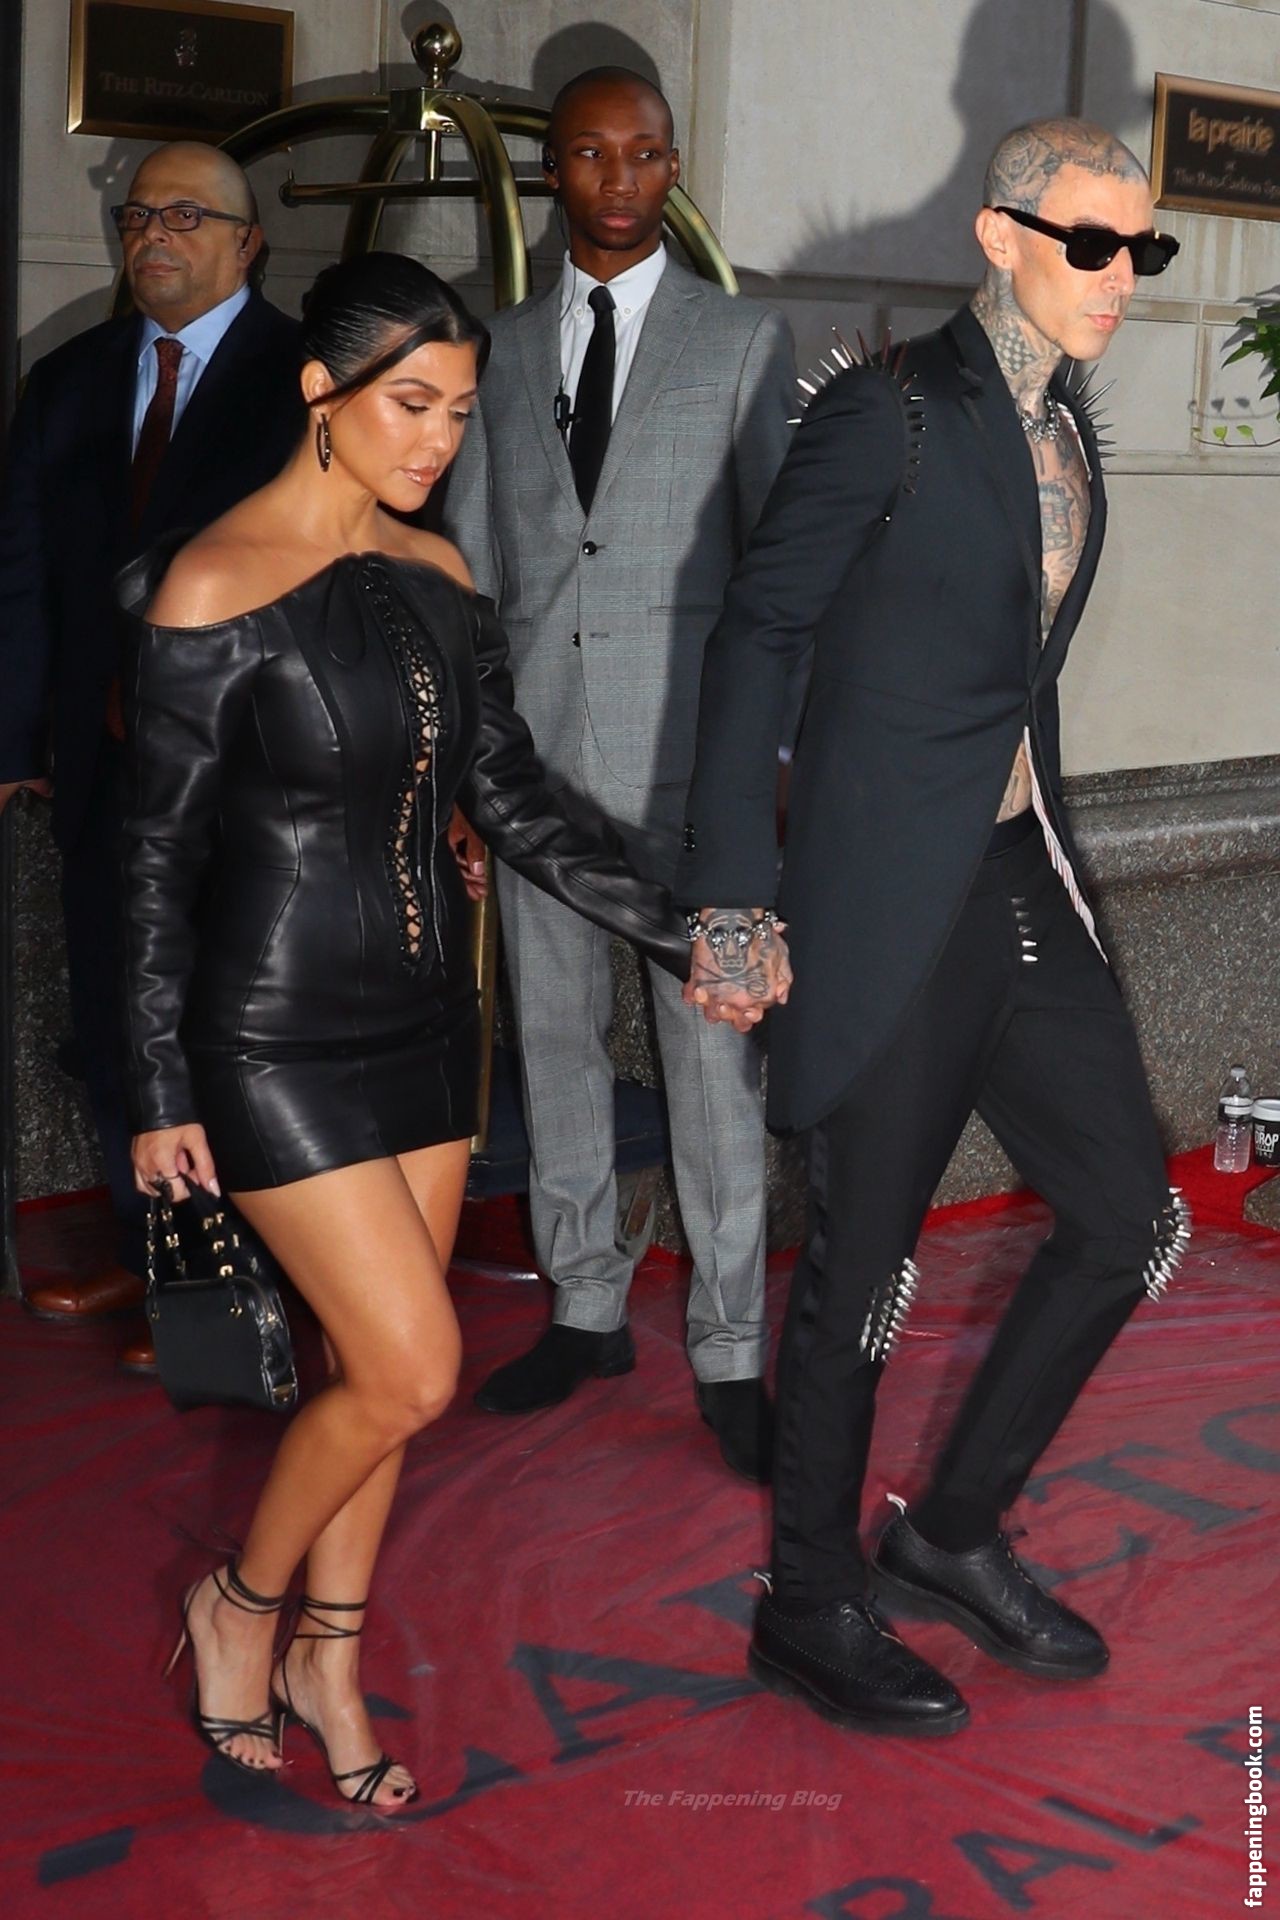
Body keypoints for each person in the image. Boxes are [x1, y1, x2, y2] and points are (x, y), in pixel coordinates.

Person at [121, 251, 690, 1808]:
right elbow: (155, 865)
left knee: (375, 1376)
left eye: (458, 410)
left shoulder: (439, 573)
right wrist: (160, 1084)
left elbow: (511, 797)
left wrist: (679, 929)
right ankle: (236, 1608)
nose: (440, 438)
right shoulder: (211, 584)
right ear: (324, 392)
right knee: (412, 1365)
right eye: (411, 404)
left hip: (434, 1027)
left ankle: (332, 1654)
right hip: (270, 1038)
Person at [676, 119, 1188, 1733]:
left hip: (1020, 874)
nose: (1120, 276)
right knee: (868, 1277)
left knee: (1133, 1218)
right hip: (884, 895)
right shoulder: (888, 412)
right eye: (1090, 243)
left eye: (1142, 247)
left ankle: (952, 1533)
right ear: (999, 234)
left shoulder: (1070, 425)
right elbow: (758, 633)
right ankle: (807, 1602)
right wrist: (733, 899)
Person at [445, 67, 796, 1480]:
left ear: (671, 166)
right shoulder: (495, 347)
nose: (617, 179)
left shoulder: (742, 338)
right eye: (590, 154)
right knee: (554, 1041)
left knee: (711, 1060)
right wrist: (469, 777)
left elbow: (775, 577)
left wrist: (770, 773)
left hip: (689, 771)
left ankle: (731, 1349)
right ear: (555, 170)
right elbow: (475, 576)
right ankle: (584, 1305)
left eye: (643, 154)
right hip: (533, 770)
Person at [0, 143, 303, 1370]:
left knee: (228, 1026)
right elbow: (22, 573)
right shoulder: (69, 380)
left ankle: (245, 1275)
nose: (153, 237)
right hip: (102, 764)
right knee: (119, 1014)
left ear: (248, 243)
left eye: (185, 216)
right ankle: (153, 1250)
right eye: (137, 218)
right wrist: (15, 736)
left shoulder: (306, 380)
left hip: (249, 767)